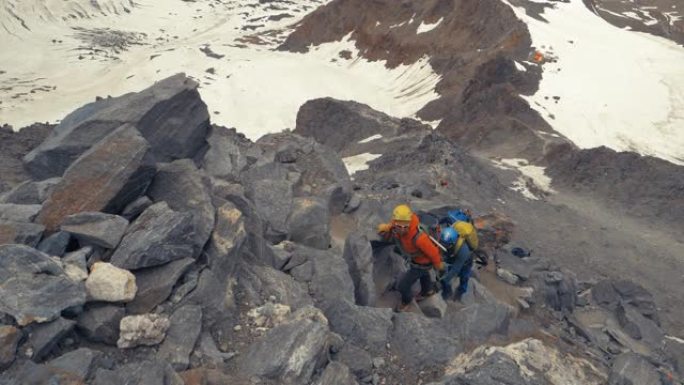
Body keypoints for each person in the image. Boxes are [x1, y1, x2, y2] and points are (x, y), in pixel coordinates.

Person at [378, 204, 445, 312]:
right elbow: (394, 223)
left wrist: (438, 265)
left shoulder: (420, 238)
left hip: (422, 264)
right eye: (399, 226)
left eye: (405, 226)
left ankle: (406, 301)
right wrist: (387, 227)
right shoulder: (401, 221)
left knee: (403, 285)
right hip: (418, 261)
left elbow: (434, 253)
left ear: (409, 223)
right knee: (424, 274)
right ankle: (427, 291)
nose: (402, 229)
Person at [438, 209, 479, 301]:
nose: (443, 246)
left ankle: (461, 292)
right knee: (445, 270)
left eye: (446, 245)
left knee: (464, 275)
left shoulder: (463, 251)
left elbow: (455, 270)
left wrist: (443, 281)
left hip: (465, 260)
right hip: (452, 253)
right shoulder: (447, 238)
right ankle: (446, 291)